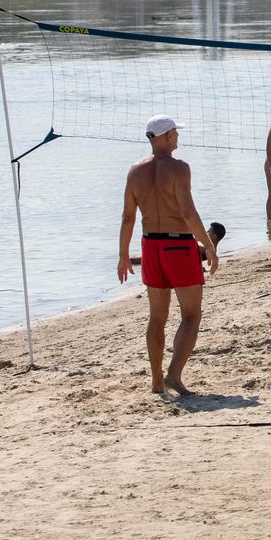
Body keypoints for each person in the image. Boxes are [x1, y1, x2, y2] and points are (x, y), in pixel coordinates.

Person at [116, 115, 219, 397]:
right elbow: (187, 212)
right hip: (178, 246)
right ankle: (173, 374)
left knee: (157, 317)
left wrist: (123, 254)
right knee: (191, 314)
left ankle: (156, 381)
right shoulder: (179, 168)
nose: (177, 136)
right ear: (166, 137)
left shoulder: (135, 171)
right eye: (174, 132)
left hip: (151, 246)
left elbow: (128, 217)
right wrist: (208, 245)